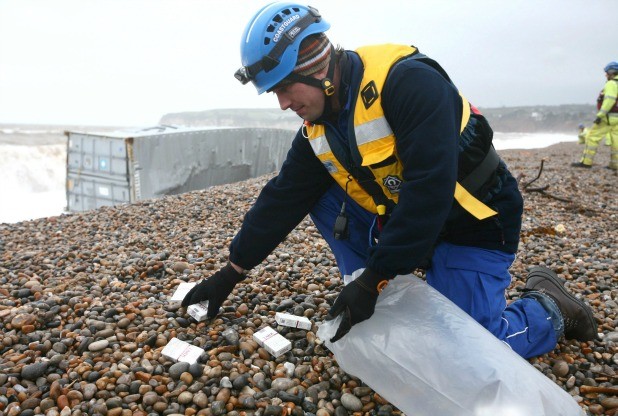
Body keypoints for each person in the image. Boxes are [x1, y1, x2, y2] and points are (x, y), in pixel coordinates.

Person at [182, 2, 597, 359]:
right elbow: (282, 198)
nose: (283, 103)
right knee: (314, 191)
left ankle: (550, 307)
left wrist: (374, 279)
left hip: (474, 224)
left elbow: (429, 191)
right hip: (408, 223)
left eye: (285, 88)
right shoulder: (318, 125)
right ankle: (379, 286)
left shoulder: (409, 83)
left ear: (316, 68)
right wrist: (231, 271)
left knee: (472, 349)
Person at [572, 61, 618, 170]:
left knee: (592, 137)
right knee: (616, 141)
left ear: (612, 72)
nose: (606, 75)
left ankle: (586, 162)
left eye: (607, 72)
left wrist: (600, 115)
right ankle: (615, 165)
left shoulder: (611, 84)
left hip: (608, 117)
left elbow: (609, 101)